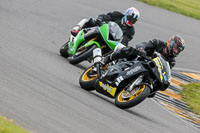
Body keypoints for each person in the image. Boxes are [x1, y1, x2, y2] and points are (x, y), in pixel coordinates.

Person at [102, 35, 185, 97]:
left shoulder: (172, 61)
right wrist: (142, 50)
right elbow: (143, 44)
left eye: (178, 51)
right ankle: (107, 59)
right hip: (140, 58)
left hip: (150, 70)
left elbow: (165, 71)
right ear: (171, 43)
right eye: (176, 48)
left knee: (152, 93)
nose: (176, 51)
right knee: (129, 50)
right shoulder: (158, 43)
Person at [71, 7, 140, 46]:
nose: (131, 21)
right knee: (89, 20)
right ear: (126, 14)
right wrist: (100, 19)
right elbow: (105, 16)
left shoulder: (131, 30)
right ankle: (77, 29)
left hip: (111, 39)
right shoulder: (117, 15)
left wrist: (122, 46)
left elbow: (125, 41)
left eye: (134, 21)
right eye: (131, 18)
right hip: (102, 28)